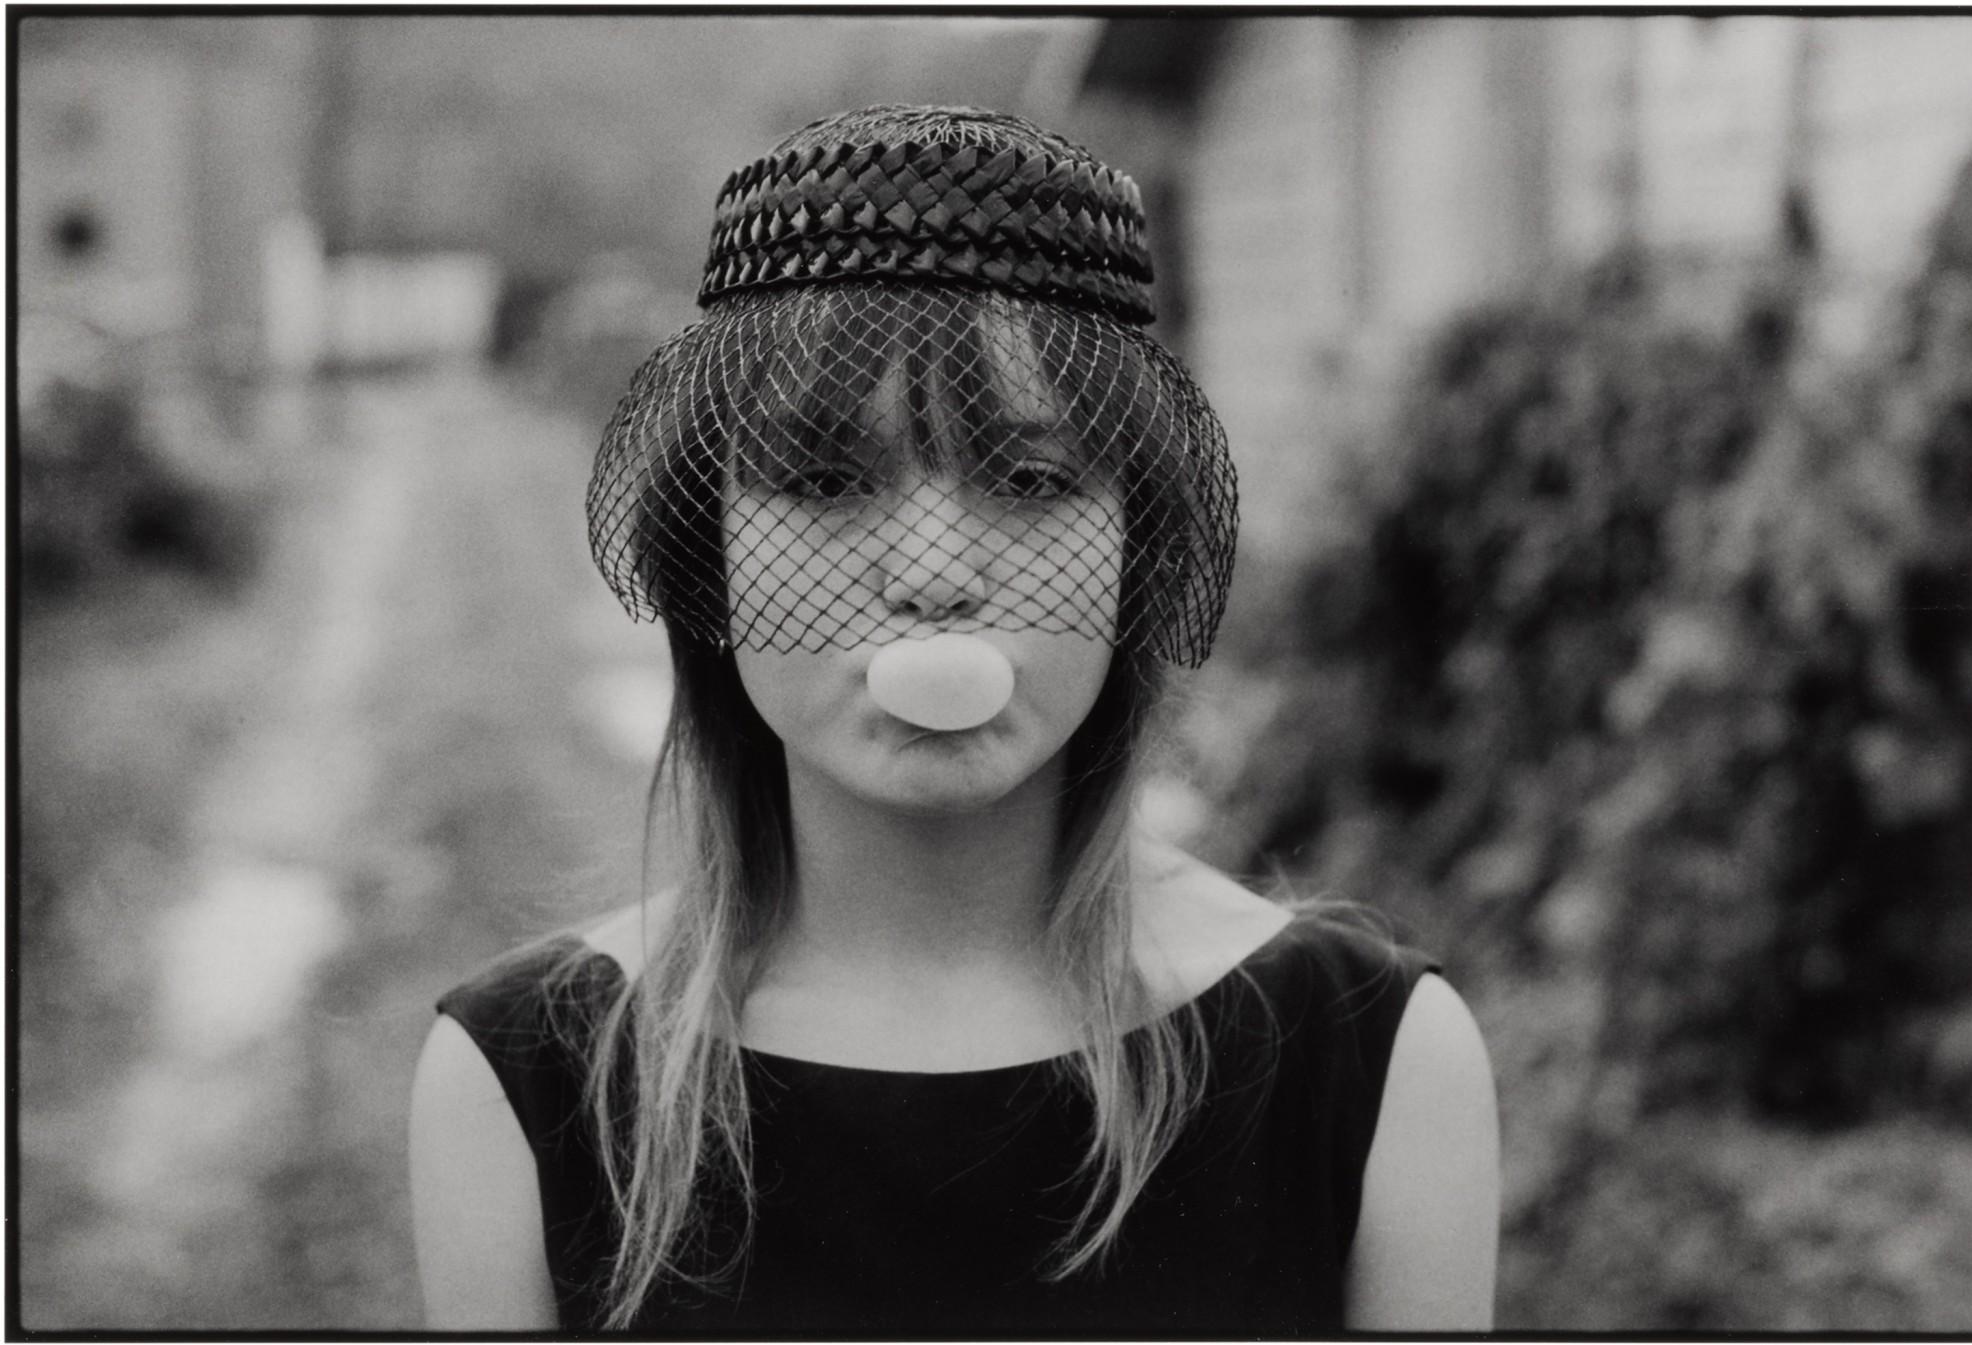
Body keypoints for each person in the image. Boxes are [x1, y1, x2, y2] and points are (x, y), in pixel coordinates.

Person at [408, 104, 1498, 1333]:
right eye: (824, 480)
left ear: (1137, 555)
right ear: (705, 564)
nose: (933, 568)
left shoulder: (1366, 1058)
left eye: (1029, 481)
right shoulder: (524, 1081)